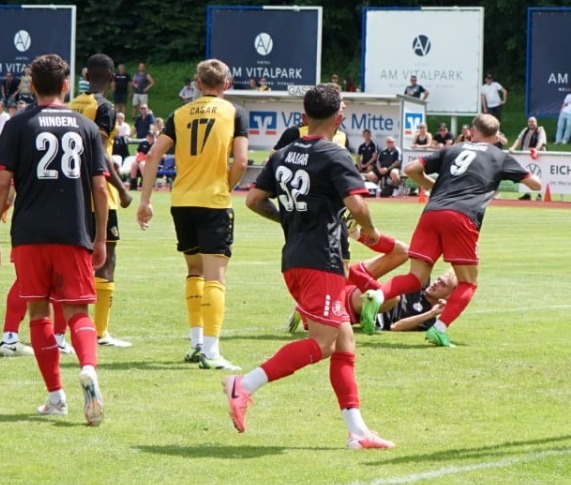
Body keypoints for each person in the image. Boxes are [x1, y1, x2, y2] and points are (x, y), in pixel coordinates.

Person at [227, 84, 394, 449]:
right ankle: (244, 385)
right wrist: (370, 231)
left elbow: (253, 200)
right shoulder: (335, 154)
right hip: (322, 259)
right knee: (322, 343)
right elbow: (357, 205)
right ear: (340, 117)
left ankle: (357, 431)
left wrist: (290, 221)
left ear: (303, 117)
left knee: (344, 343)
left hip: (296, 257)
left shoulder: (283, 153)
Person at [0, 54, 110, 426]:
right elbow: (100, 189)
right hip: (73, 231)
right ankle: (88, 368)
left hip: (29, 233)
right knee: (77, 312)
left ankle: (56, 397)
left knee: (39, 313)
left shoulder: (18, 124)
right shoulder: (86, 127)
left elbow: (2, 184)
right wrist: (100, 237)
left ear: (32, 86)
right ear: (66, 85)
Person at [388, 113, 543, 347]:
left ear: (472, 130)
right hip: (463, 216)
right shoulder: (499, 156)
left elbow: (410, 169)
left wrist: (433, 186)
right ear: (496, 136)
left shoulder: (454, 148)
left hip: (431, 212)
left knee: (416, 277)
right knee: (468, 282)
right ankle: (440, 328)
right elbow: (536, 184)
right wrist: (505, 174)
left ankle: (377, 294)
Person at [138, 60, 248, 369]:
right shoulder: (234, 112)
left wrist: (145, 201)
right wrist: (226, 186)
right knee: (216, 277)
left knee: (194, 271)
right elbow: (241, 161)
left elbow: (153, 155)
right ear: (226, 84)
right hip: (213, 201)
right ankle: (211, 352)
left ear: (198, 84)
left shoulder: (179, 114)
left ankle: (196, 343)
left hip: (182, 201)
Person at [68, 53, 136, 348]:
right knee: (106, 259)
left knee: (74, 261)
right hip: (99, 194)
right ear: (111, 79)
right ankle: (99, 332)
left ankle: (68, 330)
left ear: (86, 76)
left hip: (72, 192)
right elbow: (99, 151)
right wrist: (122, 188)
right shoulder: (104, 107)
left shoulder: (72, 104)